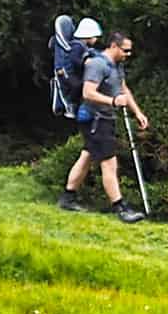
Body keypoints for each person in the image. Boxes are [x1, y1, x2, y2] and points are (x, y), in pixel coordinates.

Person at [59, 28, 150, 221]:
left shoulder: (117, 65)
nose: (128, 54)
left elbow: (123, 89)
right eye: (125, 50)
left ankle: (67, 198)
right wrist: (113, 102)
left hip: (105, 118)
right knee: (109, 163)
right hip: (95, 119)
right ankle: (120, 208)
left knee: (87, 157)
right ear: (114, 46)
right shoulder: (98, 65)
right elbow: (88, 93)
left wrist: (138, 112)